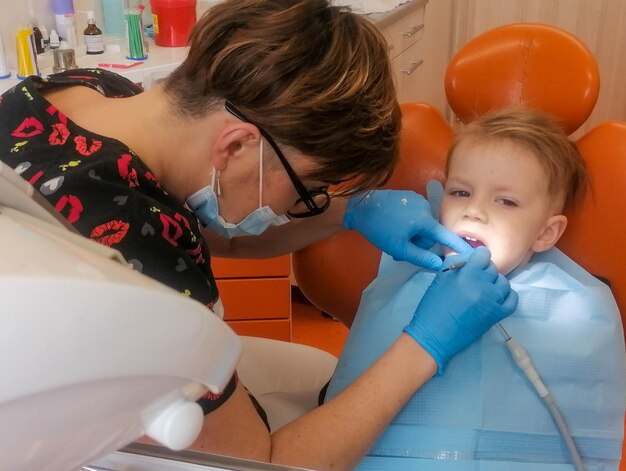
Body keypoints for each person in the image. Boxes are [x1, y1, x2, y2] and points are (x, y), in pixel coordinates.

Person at [0, 1, 517, 469]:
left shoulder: (85, 93)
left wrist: (349, 212)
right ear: (236, 147)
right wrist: (426, 344)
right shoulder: (135, 248)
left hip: (65, 359)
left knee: (318, 370)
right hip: (79, 434)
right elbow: (263, 465)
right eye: (307, 188)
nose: (297, 210)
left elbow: (213, 229)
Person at [325, 108, 626, 469]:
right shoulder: (403, 279)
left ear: (546, 232)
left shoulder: (577, 311)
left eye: (506, 201)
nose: (474, 211)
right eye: (460, 191)